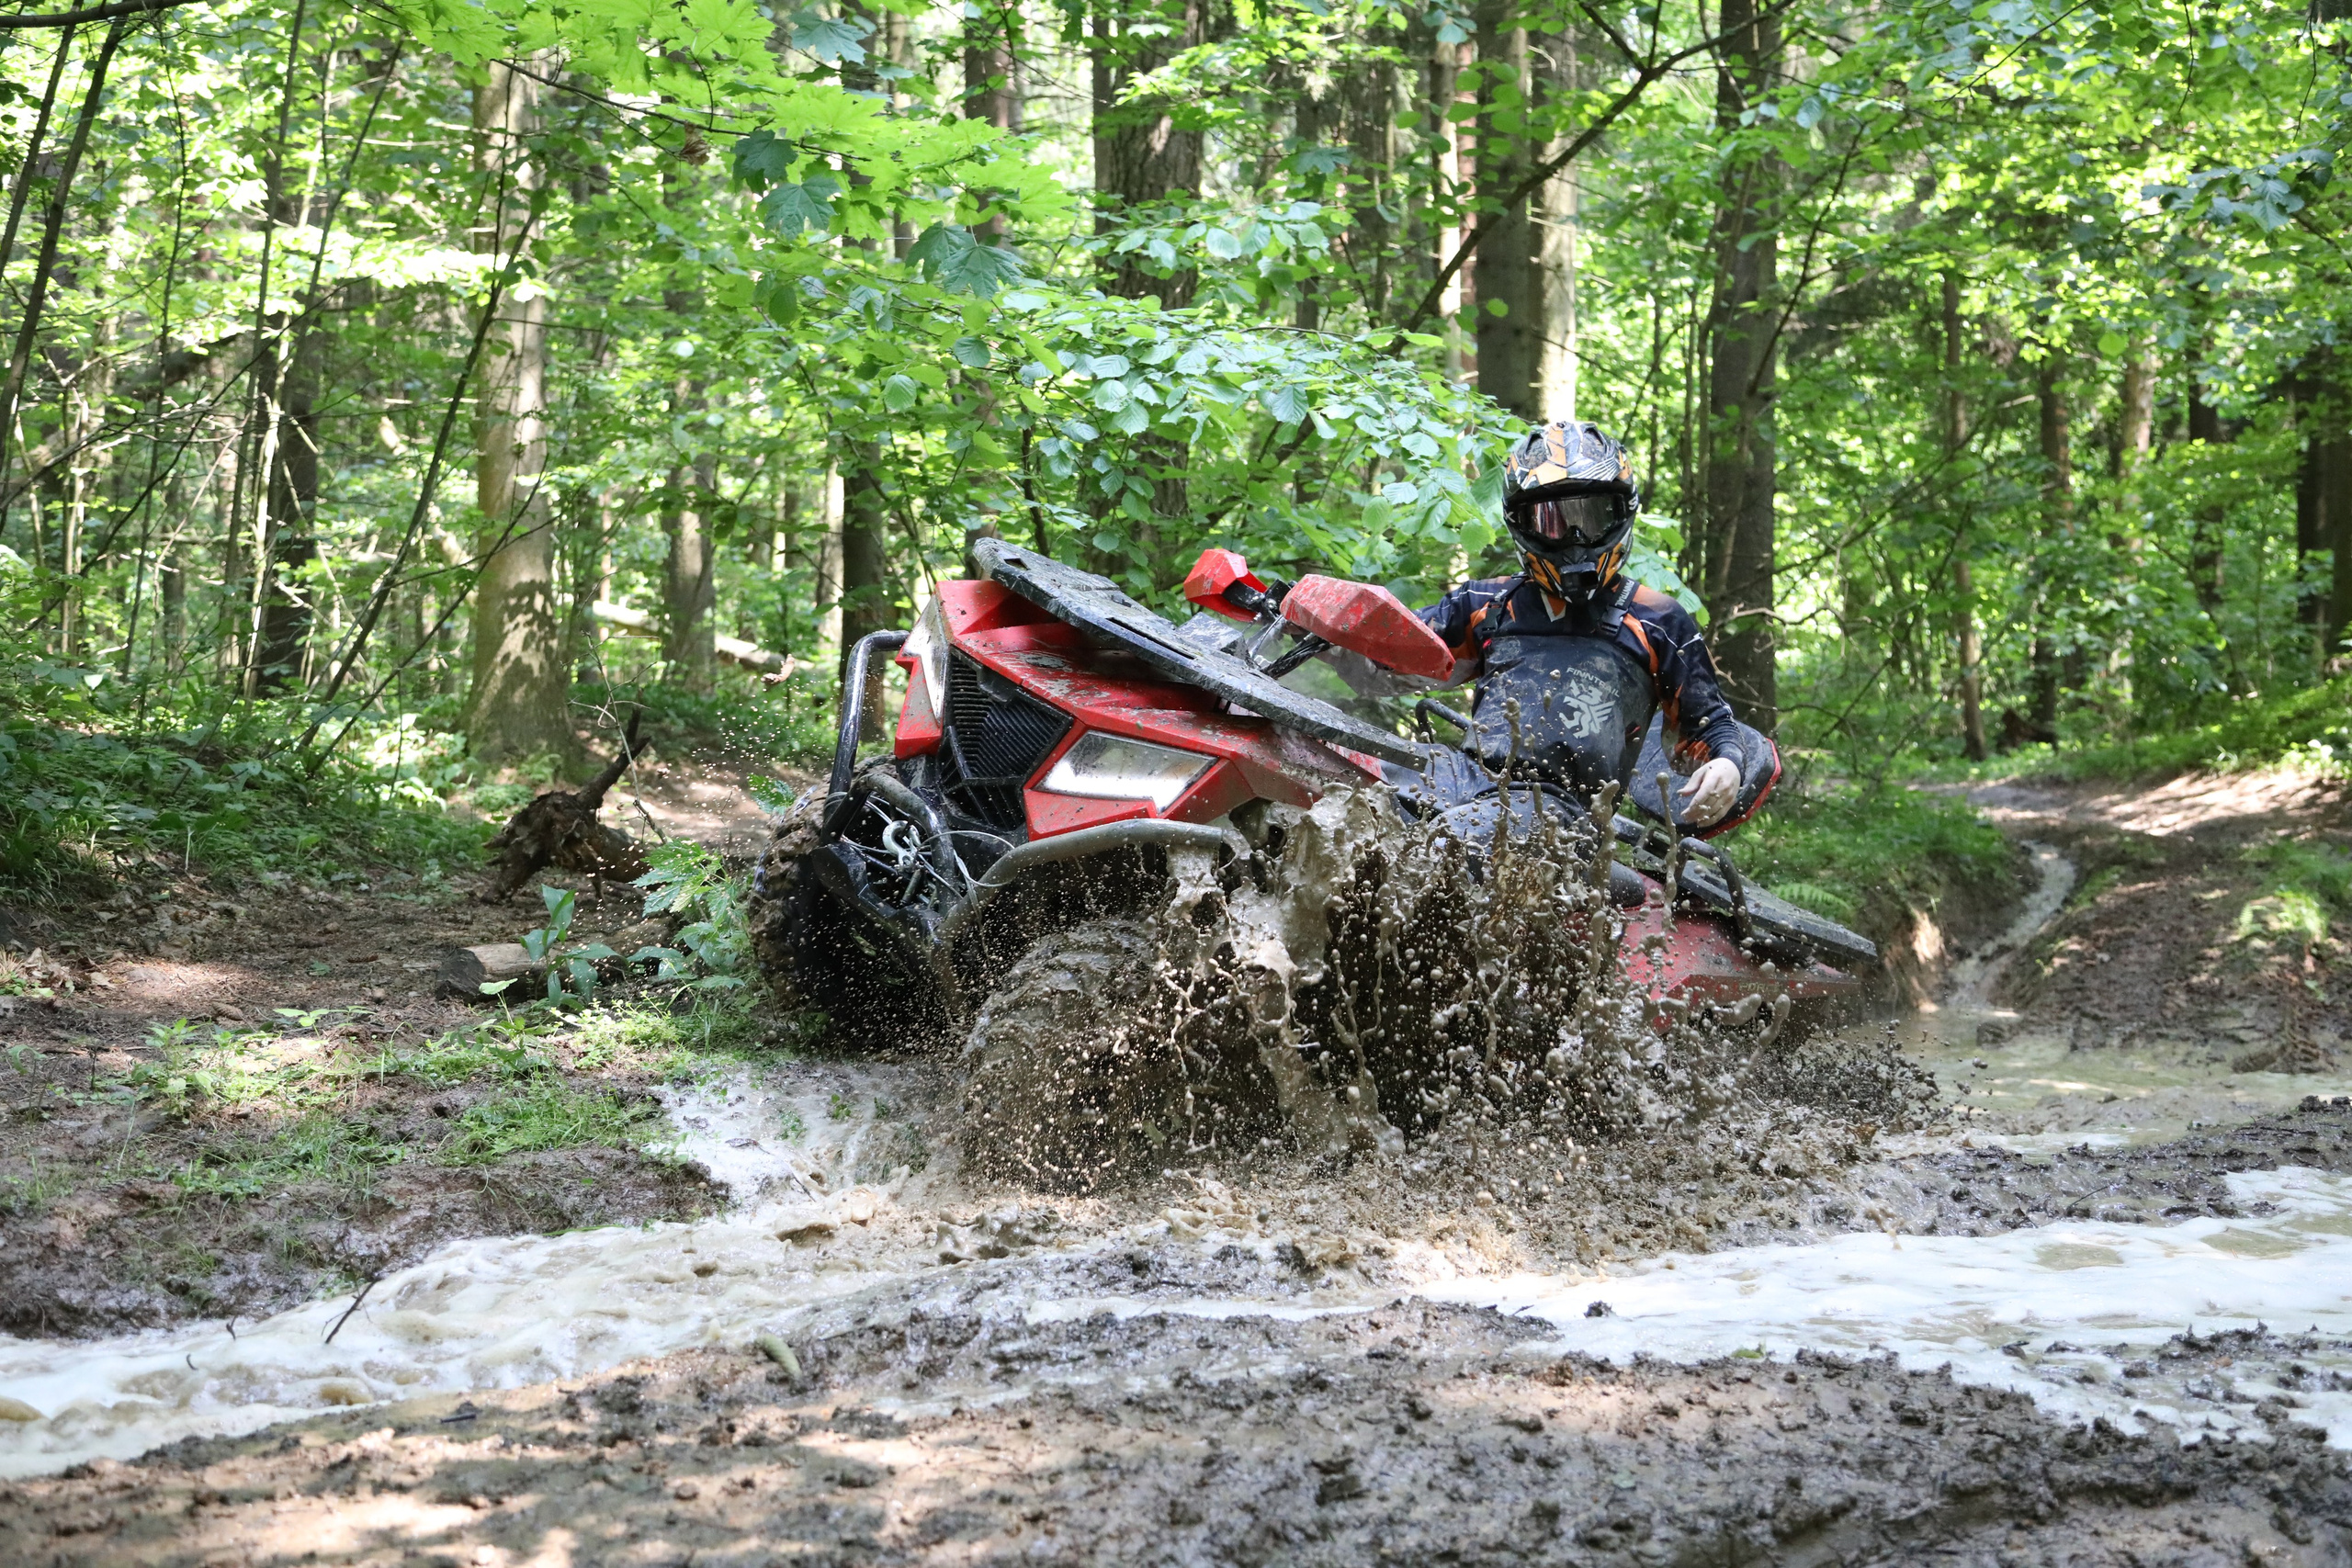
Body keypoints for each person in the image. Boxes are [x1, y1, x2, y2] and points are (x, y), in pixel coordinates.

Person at [1415, 420, 1765, 832]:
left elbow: (1711, 723)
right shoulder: (1486, 604)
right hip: (1465, 782)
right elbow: (1399, 643)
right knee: (1362, 791)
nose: (1575, 538)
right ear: (1521, 524)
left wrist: (1727, 763)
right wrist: (1330, 630)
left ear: (1621, 513)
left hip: (1562, 816)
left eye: (1592, 516)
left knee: (1453, 842)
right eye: (1554, 522)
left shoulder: (1657, 620)